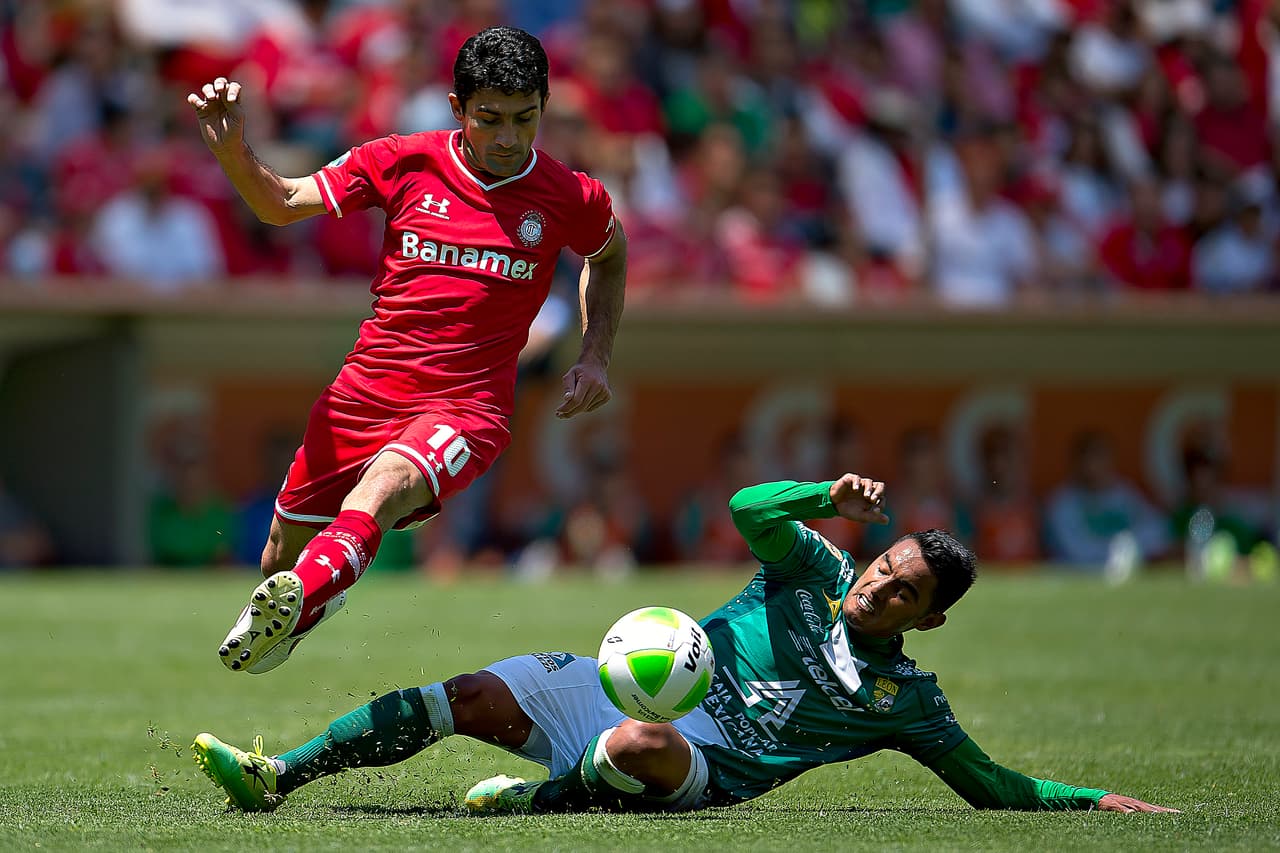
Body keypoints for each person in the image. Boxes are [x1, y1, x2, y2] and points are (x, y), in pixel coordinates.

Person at [192, 473, 1174, 816]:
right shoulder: (814, 568)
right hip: (630, 675)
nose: (878, 582)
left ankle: (536, 801)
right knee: (460, 695)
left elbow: (990, 786)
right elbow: (750, 508)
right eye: (886, 565)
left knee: (634, 749)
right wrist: (820, 499)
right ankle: (280, 771)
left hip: (703, 759)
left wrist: (1092, 797)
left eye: (903, 590)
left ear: (927, 618)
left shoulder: (903, 702)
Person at [185, 26, 628, 674]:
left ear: (543, 106)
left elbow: (609, 256)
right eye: (490, 119)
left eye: (524, 119)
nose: (508, 137)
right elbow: (281, 204)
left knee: (385, 486)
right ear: (457, 108)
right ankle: (313, 590)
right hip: (364, 393)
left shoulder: (569, 195)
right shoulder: (402, 160)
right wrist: (232, 152)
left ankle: (309, 592)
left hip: (467, 407)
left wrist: (595, 353)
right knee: (280, 556)